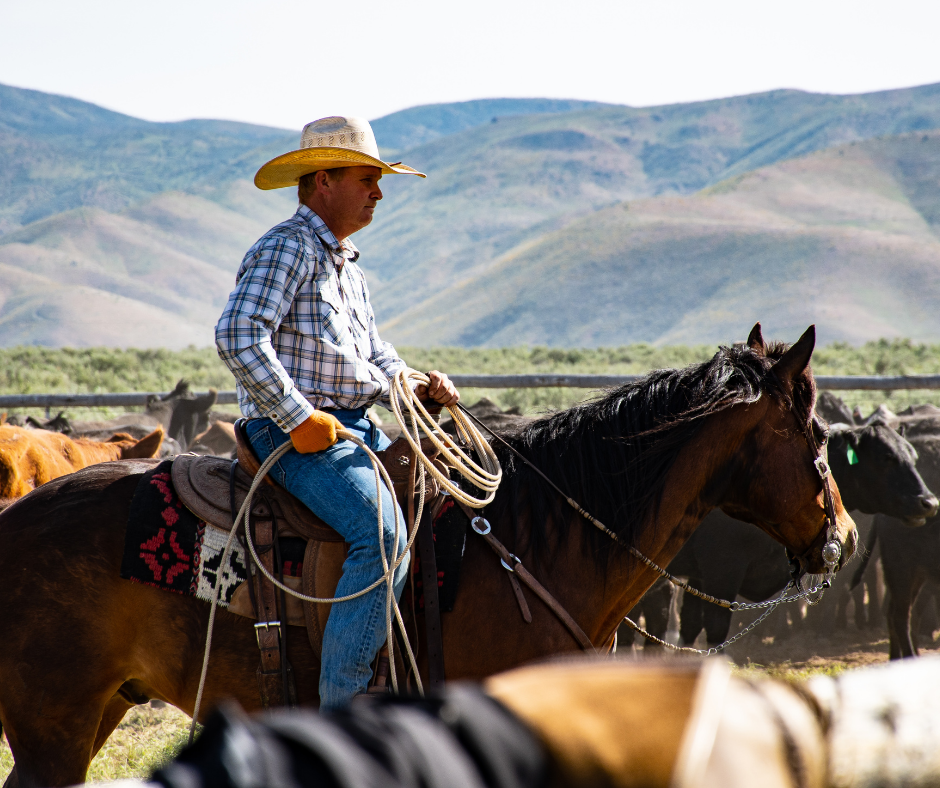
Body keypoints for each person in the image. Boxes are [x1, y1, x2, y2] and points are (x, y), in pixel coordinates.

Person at [215, 115, 460, 709]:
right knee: (381, 538)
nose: (378, 191)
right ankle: (341, 716)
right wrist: (298, 417)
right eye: (367, 178)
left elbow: (375, 354)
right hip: (290, 434)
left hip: (352, 428)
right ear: (323, 180)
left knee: (447, 505)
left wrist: (418, 383)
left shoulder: (348, 265)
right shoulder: (286, 247)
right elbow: (238, 334)